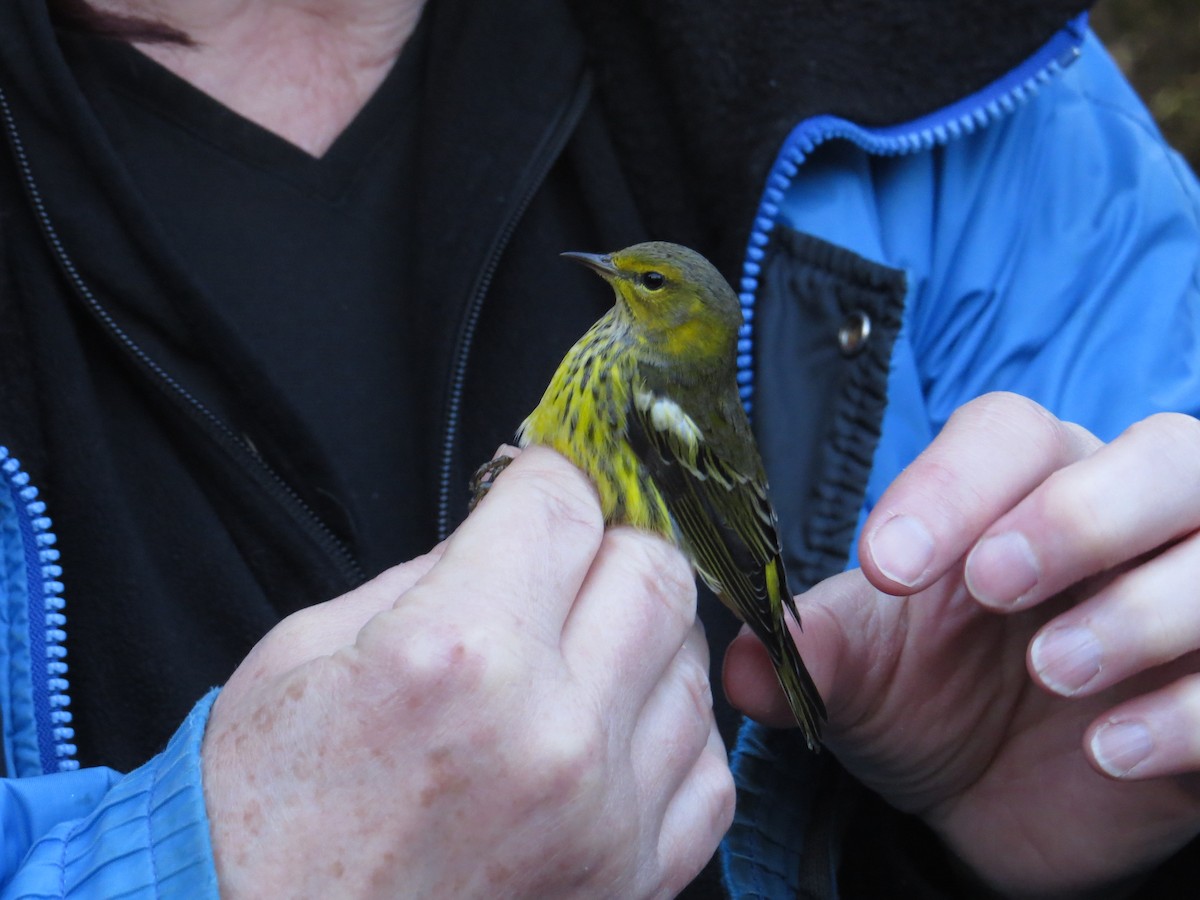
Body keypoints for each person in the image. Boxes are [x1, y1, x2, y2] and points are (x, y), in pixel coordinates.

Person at [1, 0, 1198, 897]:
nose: (609, 286)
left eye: (631, 281)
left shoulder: (968, 72)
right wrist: (189, 868)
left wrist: (1121, 835)